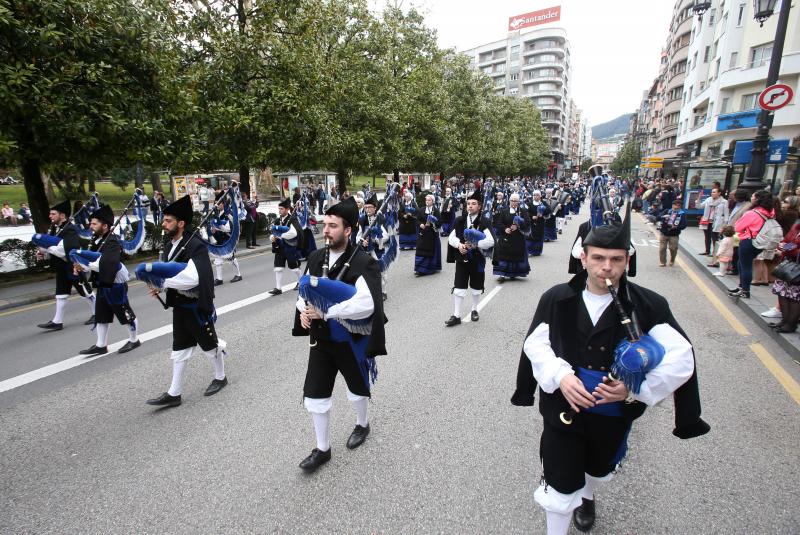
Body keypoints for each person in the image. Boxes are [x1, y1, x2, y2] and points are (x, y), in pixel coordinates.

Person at [511, 204, 709, 535]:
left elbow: (682, 357)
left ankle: (587, 497)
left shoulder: (648, 304)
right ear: (584, 258)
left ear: (627, 261)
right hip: (563, 410)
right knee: (560, 485)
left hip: (613, 413)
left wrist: (635, 388)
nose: (607, 267)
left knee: (598, 469)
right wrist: (561, 375)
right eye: (599, 258)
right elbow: (535, 343)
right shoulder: (557, 298)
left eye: (616, 259)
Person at [292, 197, 387, 472]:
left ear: (348, 230)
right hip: (321, 341)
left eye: (333, 226)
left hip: (349, 340)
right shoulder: (315, 258)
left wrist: (327, 312)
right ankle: (322, 449)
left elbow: (366, 304)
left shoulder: (364, 262)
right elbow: (304, 291)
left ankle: (362, 424)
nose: (326, 230)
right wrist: (303, 310)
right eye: (325, 225)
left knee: (357, 387)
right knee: (316, 394)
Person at [145, 194, 229, 407]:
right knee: (180, 348)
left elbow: (193, 278)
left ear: (181, 223)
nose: (164, 224)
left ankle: (220, 377)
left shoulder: (195, 246)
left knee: (209, 346)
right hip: (179, 306)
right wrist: (159, 285)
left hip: (195, 306)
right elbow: (170, 273)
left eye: (168, 221)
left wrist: (163, 283)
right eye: (164, 220)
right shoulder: (169, 244)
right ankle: (174, 393)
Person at [74, 204, 141, 356]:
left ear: (104, 226)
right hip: (103, 283)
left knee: (124, 313)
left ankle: (134, 339)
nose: (91, 226)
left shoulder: (112, 242)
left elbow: (108, 263)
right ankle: (101, 345)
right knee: (101, 314)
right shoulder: (96, 240)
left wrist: (85, 264)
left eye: (94, 224)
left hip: (114, 283)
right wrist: (80, 264)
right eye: (91, 223)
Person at [33, 200, 96, 331]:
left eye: (53, 214)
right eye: (50, 214)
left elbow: (67, 250)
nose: (50, 216)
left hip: (72, 266)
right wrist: (42, 252)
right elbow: (51, 246)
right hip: (61, 267)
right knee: (61, 293)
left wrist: (48, 248)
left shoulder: (70, 230)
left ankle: (98, 314)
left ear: (62, 216)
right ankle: (57, 321)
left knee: (85, 291)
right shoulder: (55, 228)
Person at [444, 190, 495, 326]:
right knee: (459, 285)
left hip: (477, 260)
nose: (470, 206)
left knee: (476, 285)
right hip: (462, 259)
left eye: (473, 203)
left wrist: (475, 244)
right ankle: (456, 315)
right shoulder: (460, 220)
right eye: (468, 204)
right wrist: (459, 245)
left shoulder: (484, 221)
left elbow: (491, 241)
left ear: (479, 206)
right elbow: (451, 238)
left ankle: (474, 309)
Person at [731, 191, 778, 299]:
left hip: (749, 241)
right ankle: (741, 287)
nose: (751, 197)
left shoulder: (752, 213)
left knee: (745, 266)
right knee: (741, 263)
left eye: (753, 196)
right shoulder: (770, 212)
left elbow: (737, 227)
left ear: (757, 199)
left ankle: (745, 290)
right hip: (759, 242)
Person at [357, 194, 390, 300]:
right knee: (366, 271)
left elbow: (386, 236)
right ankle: (370, 292)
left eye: (369, 207)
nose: (367, 209)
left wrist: (375, 239)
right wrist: (362, 242)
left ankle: (383, 291)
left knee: (381, 271)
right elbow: (358, 235)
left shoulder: (380, 218)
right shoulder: (362, 220)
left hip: (378, 249)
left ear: (375, 208)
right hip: (366, 250)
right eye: (366, 207)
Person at [769, 220, 800, 333]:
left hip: (797, 269)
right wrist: (783, 245)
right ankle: (784, 321)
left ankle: (791, 324)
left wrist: (792, 249)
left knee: (794, 297)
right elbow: (786, 240)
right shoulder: (796, 226)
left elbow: (794, 248)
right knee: (782, 293)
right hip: (787, 265)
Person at [492, 193, 531, 281]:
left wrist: (518, 225)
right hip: (505, 237)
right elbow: (499, 223)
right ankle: (502, 275)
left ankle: (513, 273)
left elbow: (528, 222)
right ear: (509, 201)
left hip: (518, 238)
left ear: (518, 202)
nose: (513, 202)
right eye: (512, 201)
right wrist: (505, 229)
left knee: (515, 255)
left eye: (515, 201)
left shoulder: (523, 211)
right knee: (503, 255)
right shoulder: (504, 211)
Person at [269, 198, 303, 295]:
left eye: (282, 209)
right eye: (279, 209)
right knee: (278, 267)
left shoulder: (292, 219)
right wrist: (272, 237)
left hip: (290, 247)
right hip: (279, 247)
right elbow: (273, 232)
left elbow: (294, 233)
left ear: (287, 209)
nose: (280, 211)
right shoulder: (277, 220)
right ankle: (278, 288)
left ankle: (301, 282)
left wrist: (280, 235)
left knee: (294, 268)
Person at [209, 194, 243, 285]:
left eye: (218, 203)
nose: (216, 205)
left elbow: (229, 228)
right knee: (217, 259)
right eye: (215, 203)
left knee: (230, 258)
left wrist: (218, 228)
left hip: (227, 239)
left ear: (223, 204)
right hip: (218, 239)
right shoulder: (216, 213)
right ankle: (219, 279)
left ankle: (238, 274)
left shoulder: (229, 213)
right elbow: (213, 224)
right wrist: (212, 229)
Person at [414, 194, 442, 276]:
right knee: (421, 249)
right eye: (426, 200)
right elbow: (417, 220)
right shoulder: (422, 209)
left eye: (429, 200)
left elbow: (440, 222)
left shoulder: (436, 210)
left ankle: (429, 268)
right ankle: (420, 269)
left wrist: (433, 223)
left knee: (430, 251)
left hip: (432, 234)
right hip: (423, 233)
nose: (427, 201)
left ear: (433, 201)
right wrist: (420, 224)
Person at [700, 188, 728, 263]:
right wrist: (699, 198)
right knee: (707, 236)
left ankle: (714, 252)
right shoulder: (708, 200)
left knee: (714, 237)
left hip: (717, 222)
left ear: (719, 193)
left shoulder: (724, 202)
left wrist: (725, 223)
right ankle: (707, 251)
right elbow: (699, 206)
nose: (712, 193)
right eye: (712, 192)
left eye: (714, 192)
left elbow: (726, 213)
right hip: (707, 221)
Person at [657, 199, 687, 267]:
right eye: (675, 205)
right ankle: (662, 262)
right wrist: (663, 216)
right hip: (664, 233)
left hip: (674, 234)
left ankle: (672, 260)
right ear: (672, 205)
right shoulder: (667, 211)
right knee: (662, 248)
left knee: (673, 248)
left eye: (678, 205)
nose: (676, 207)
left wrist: (676, 227)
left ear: (680, 206)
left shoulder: (682, 214)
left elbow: (684, 225)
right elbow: (657, 217)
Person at [527, 190, 549, 256]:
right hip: (532, 223)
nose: (536, 196)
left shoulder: (543, 203)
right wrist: (532, 216)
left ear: (540, 196)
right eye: (534, 195)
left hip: (540, 223)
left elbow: (549, 210)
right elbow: (526, 212)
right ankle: (529, 251)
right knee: (530, 237)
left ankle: (537, 251)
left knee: (539, 237)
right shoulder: (529, 203)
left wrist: (542, 214)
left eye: (537, 195)